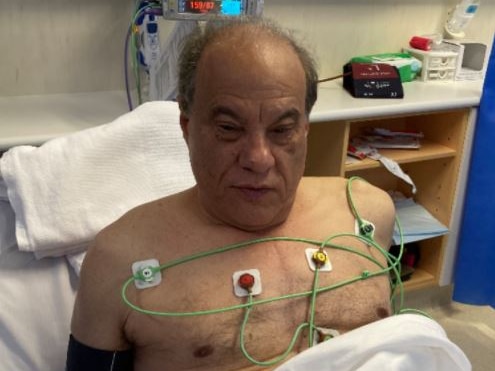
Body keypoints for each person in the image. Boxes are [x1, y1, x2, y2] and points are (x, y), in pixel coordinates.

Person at [68, 16, 395, 370]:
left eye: (282, 129)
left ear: (304, 129)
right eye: (228, 128)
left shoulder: (366, 213)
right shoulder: (118, 261)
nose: (258, 158)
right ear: (187, 127)